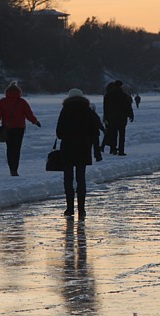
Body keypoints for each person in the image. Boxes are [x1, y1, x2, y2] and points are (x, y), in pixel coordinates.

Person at [56, 88, 102, 218]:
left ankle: (69, 208)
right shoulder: (88, 111)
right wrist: (97, 152)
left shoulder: (65, 110)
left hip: (68, 148)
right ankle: (82, 210)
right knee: (81, 179)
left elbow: (59, 133)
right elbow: (95, 132)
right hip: (83, 148)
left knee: (68, 179)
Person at [0, 81, 41, 176]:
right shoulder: (22, 102)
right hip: (19, 128)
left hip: (8, 129)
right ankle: (15, 169)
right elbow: (28, 114)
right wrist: (35, 121)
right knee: (16, 149)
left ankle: (11, 168)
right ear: (19, 92)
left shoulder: (2, 102)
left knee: (9, 148)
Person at [103, 80, 134, 156]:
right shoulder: (124, 95)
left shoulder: (108, 96)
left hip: (112, 118)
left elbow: (105, 108)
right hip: (122, 118)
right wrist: (131, 115)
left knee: (113, 134)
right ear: (121, 86)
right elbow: (128, 107)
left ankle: (113, 149)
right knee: (121, 135)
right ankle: (121, 151)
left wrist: (106, 118)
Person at [100, 82, 117, 154]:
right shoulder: (113, 96)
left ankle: (105, 147)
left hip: (107, 117)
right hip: (112, 117)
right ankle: (112, 148)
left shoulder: (106, 96)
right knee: (113, 134)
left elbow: (105, 108)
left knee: (108, 133)